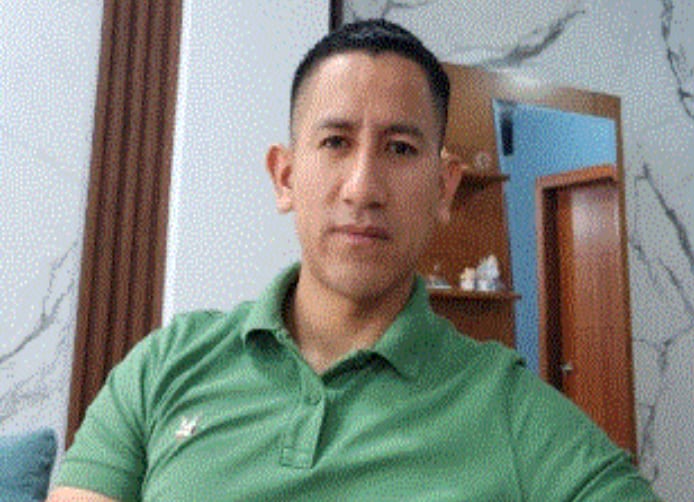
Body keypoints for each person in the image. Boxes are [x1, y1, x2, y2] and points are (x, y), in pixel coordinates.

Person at [49, 19, 658, 501]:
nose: (363, 187)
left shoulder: (507, 407)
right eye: (336, 141)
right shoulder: (164, 367)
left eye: (400, 148)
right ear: (285, 177)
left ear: (444, 188)